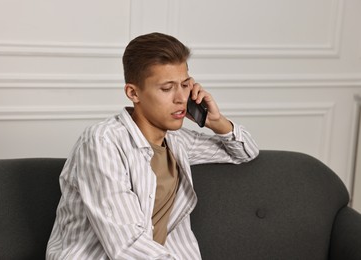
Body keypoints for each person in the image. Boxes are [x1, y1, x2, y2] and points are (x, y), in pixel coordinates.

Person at [46, 32, 259, 259]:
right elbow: (127, 246)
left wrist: (216, 121)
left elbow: (244, 152)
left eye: (185, 84)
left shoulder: (178, 142)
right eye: (167, 88)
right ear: (133, 93)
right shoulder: (103, 142)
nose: (180, 98)